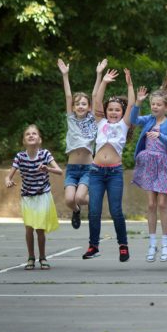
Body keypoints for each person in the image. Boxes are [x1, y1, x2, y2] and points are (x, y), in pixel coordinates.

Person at [130, 67, 167, 263]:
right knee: (150, 204)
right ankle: (152, 243)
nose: (154, 107)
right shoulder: (148, 120)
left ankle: (165, 243)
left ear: (166, 107)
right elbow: (132, 119)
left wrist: (159, 135)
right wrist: (138, 102)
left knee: (163, 204)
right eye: (152, 104)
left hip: (163, 165)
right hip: (149, 164)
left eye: (158, 104)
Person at [84, 68, 135, 262]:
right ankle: (93, 246)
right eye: (111, 109)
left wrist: (130, 84)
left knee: (116, 211)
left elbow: (132, 104)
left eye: (117, 110)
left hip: (114, 173)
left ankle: (123, 245)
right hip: (96, 172)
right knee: (94, 211)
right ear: (106, 111)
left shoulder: (124, 125)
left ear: (122, 113)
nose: (113, 112)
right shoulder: (100, 122)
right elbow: (96, 100)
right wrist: (104, 81)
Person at [57, 58, 106, 230]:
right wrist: (65, 75)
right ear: (73, 107)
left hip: (87, 168)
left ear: (89, 107)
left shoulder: (93, 119)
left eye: (83, 104)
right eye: (77, 104)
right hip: (72, 169)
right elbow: (68, 96)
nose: (80, 106)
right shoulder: (71, 118)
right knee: (70, 200)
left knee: (79, 197)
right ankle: (76, 211)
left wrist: (99, 74)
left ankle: (95, 202)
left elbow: (95, 95)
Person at [5, 125, 63, 270]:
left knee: (40, 229)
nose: (31, 135)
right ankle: (31, 257)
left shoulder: (45, 154)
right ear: (24, 141)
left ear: (39, 139)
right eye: (27, 134)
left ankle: (42, 257)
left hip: (42, 195)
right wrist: (8, 181)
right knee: (29, 228)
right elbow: (8, 176)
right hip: (27, 196)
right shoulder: (20, 157)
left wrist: (47, 168)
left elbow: (59, 171)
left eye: (34, 133)